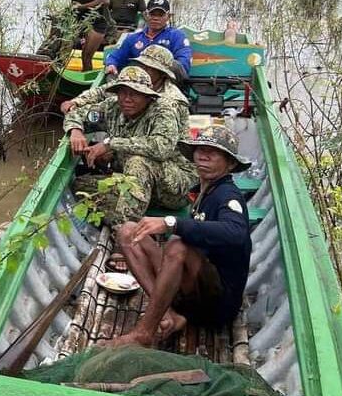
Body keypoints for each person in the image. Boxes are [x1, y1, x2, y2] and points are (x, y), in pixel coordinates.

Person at [101, 125, 253, 347]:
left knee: (176, 245)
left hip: (216, 304)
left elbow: (236, 233)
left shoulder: (228, 195)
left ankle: (144, 332)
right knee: (128, 231)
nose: (203, 155)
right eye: (200, 149)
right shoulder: (204, 189)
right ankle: (167, 313)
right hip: (189, 293)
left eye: (214, 152)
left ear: (230, 163)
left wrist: (170, 222)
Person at [65, 66, 195, 227]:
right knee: (81, 186)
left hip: (173, 186)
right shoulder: (112, 107)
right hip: (135, 183)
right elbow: (77, 114)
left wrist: (110, 144)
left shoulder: (163, 110)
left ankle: (124, 230)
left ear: (148, 97)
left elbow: (161, 148)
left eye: (134, 94)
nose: (127, 99)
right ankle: (137, 211)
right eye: (122, 92)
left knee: (138, 162)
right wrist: (75, 131)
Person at [61, 45, 188, 136]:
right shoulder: (135, 79)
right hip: (128, 138)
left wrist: (110, 146)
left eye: (150, 68)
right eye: (142, 65)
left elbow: (161, 144)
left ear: (162, 73)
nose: (143, 69)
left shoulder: (170, 101)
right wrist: (76, 102)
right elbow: (103, 91)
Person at [105, 0, 191, 80]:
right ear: (146, 15)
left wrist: (156, 69)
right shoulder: (133, 38)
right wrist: (111, 64)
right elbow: (115, 56)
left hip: (164, 81)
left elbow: (183, 65)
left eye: (160, 15)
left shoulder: (177, 36)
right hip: (137, 82)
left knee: (174, 65)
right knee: (111, 73)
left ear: (168, 16)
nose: (156, 18)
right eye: (152, 14)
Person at [57, 0, 111, 73]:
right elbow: (75, 4)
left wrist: (82, 6)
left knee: (86, 56)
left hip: (98, 23)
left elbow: (105, 0)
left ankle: (86, 78)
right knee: (62, 46)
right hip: (82, 22)